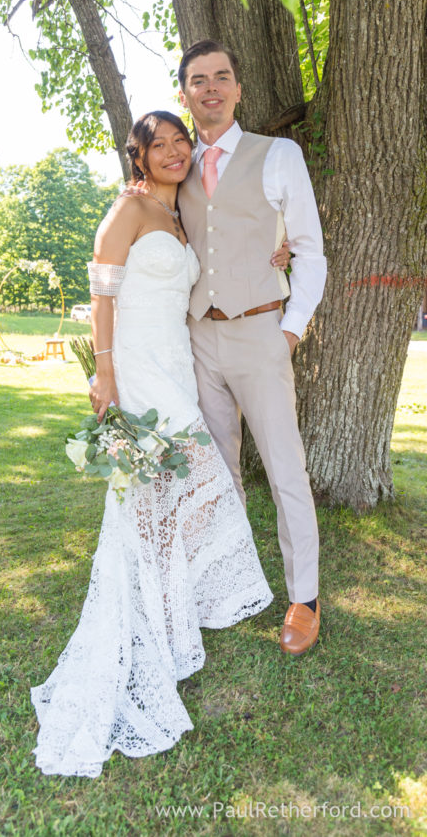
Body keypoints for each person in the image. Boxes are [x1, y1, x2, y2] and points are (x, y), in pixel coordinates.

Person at [30, 111, 289, 778]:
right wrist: (106, 374)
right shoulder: (130, 206)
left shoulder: (182, 217)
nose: (174, 152)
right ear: (138, 156)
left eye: (181, 142)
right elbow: (101, 288)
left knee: (175, 493)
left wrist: (281, 246)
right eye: (159, 145)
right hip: (138, 373)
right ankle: (142, 628)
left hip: (175, 362)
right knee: (157, 493)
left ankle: (172, 621)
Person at [177, 40, 327, 657]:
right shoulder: (173, 162)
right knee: (216, 469)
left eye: (221, 77)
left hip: (261, 331)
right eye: (197, 80)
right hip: (196, 337)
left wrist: (290, 330)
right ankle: (229, 580)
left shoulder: (279, 154)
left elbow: (310, 251)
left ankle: (305, 597)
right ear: (183, 93)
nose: (210, 88)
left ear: (238, 89)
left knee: (285, 468)